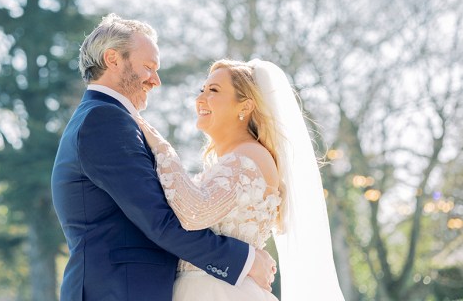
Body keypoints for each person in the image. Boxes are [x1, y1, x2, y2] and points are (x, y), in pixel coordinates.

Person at [51, 14, 276, 301]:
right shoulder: (104, 120)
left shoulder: (106, 118)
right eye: (149, 67)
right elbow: (159, 220)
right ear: (113, 59)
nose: (156, 81)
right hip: (116, 291)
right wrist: (244, 259)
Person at [135, 59, 346, 300]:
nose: (200, 99)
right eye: (201, 90)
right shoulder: (235, 159)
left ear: (244, 107)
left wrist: (163, 150)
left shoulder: (249, 156)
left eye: (213, 90)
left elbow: (195, 212)